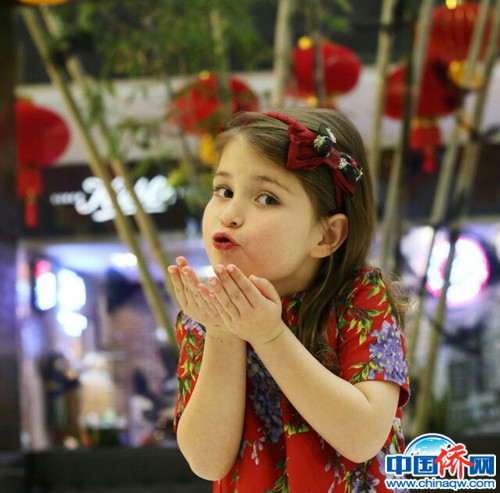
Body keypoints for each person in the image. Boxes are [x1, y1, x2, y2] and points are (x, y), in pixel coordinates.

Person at [168, 109, 410, 492]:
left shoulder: (360, 297)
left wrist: (269, 335)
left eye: (266, 198)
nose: (230, 215)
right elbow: (207, 461)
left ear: (326, 236)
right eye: (224, 191)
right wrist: (222, 333)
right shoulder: (206, 315)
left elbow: (363, 437)